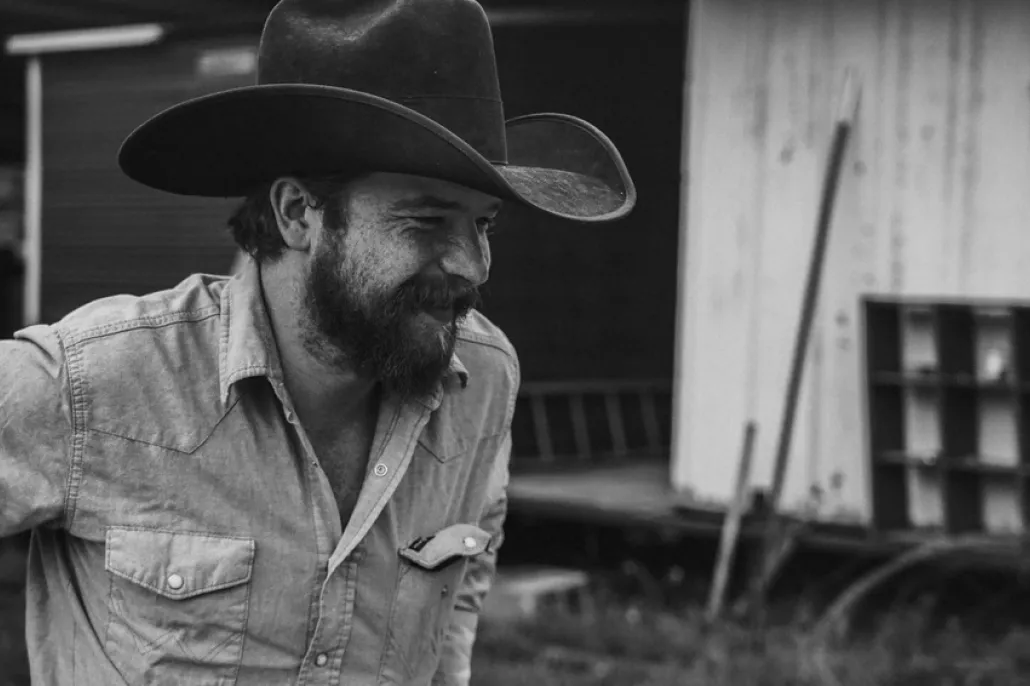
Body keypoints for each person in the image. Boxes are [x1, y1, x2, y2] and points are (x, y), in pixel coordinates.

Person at [0, 0, 634, 684]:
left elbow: (458, 596)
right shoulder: (92, 384)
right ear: (298, 213)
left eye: (484, 225)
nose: (473, 266)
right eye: (427, 221)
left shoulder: (483, 377)